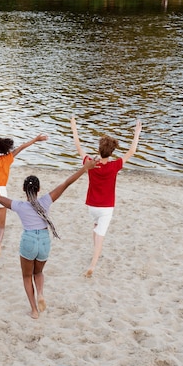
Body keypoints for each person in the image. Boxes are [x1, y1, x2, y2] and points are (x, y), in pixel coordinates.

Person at [0, 160, 98, 319]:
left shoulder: (19, 205)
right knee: (39, 272)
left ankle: (34, 310)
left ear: (24, 189)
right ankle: (41, 293)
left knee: (27, 276)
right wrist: (85, 168)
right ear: (39, 189)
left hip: (28, 240)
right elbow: (66, 183)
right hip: (44, 239)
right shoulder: (46, 200)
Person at [71, 117, 142, 277]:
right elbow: (132, 151)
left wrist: (74, 127)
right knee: (100, 235)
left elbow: (78, 147)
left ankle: (94, 253)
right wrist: (136, 133)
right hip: (106, 208)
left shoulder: (90, 163)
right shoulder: (114, 166)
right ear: (112, 152)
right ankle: (93, 265)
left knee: (96, 228)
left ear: (99, 150)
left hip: (92, 206)